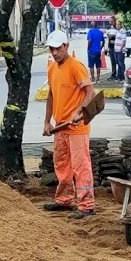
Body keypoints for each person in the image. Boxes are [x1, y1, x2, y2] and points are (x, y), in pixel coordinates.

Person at [43, 30, 97, 218]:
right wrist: (47, 122)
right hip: (60, 127)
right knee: (62, 165)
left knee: (81, 166)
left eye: (58, 49)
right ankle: (64, 200)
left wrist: (79, 112)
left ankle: (87, 205)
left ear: (66, 46)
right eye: (52, 49)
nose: (55, 53)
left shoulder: (76, 66)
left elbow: (89, 92)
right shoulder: (52, 68)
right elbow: (51, 95)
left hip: (76, 128)